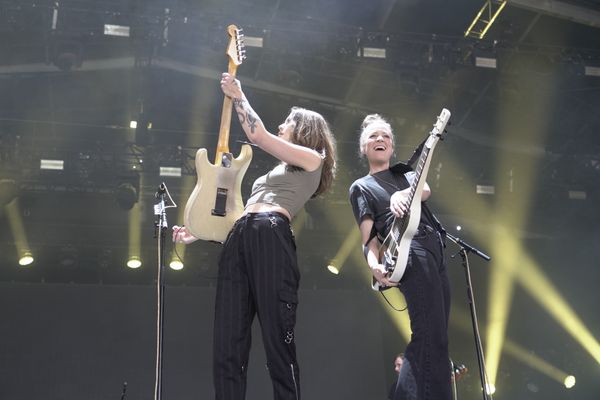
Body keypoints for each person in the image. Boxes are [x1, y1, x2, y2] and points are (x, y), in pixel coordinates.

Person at [173, 72, 337, 400]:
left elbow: (258, 135)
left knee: (278, 339)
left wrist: (238, 95)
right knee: (228, 341)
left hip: (270, 235)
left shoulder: (313, 159)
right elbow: (240, 218)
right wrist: (199, 233)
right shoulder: (272, 174)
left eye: (288, 122)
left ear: (305, 129)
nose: (281, 126)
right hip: (242, 237)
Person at [348, 114, 451, 400]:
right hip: (409, 251)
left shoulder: (405, 174)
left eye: (386, 136)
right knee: (427, 333)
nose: (380, 139)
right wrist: (374, 266)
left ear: (392, 147)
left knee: (439, 337)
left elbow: (425, 189)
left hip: (435, 248)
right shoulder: (361, 187)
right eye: (373, 136)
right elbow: (369, 239)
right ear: (363, 147)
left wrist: (403, 194)